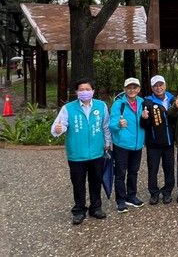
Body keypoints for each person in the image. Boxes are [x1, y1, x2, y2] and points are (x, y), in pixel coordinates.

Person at [51, 78, 111, 225]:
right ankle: (79, 210)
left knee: (96, 181)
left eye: (87, 89)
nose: (84, 92)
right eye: (81, 89)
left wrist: (108, 143)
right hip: (76, 154)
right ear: (76, 92)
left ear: (93, 91)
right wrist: (58, 129)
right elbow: (58, 126)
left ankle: (96, 208)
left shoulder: (101, 106)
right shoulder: (68, 108)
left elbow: (106, 126)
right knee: (78, 183)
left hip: (97, 152)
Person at [109, 78, 146, 213]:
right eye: (129, 88)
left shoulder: (142, 102)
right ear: (125, 89)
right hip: (122, 144)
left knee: (133, 172)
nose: (132, 90)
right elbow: (111, 125)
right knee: (120, 173)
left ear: (139, 89)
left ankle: (131, 196)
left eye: (134, 87)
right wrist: (119, 125)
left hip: (137, 144)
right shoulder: (119, 104)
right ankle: (120, 200)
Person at [141, 75, 176, 205]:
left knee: (169, 168)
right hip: (153, 143)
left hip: (169, 142)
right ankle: (154, 193)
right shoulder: (147, 102)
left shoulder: (173, 100)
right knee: (153, 169)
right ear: (152, 88)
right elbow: (144, 125)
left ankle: (167, 192)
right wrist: (144, 118)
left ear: (165, 85)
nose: (158, 88)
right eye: (155, 85)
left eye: (161, 85)